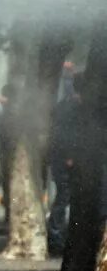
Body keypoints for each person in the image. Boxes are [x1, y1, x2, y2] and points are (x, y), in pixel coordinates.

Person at [47, 74, 84, 255]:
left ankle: (58, 236)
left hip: (62, 159)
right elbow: (66, 134)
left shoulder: (63, 105)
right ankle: (56, 237)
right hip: (67, 160)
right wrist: (70, 156)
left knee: (65, 197)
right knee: (64, 197)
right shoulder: (73, 107)